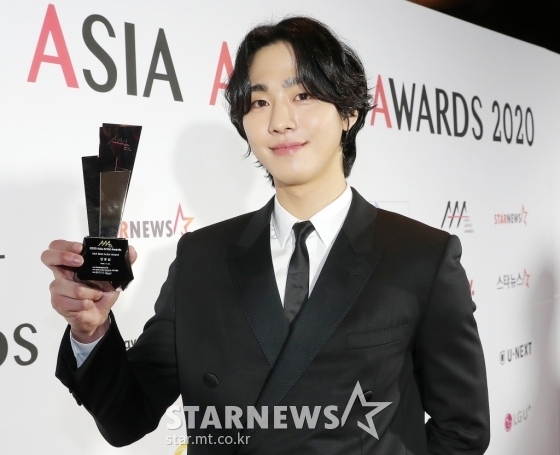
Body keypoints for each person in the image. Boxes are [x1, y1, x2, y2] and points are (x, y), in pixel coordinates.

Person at [41, 16, 490, 454]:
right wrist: (91, 330)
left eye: (303, 95)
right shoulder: (201, 256)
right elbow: (127, 418)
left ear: (349, 113)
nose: (280, 120)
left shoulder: (421, 256)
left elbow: (462, 431)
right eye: (259, 102)